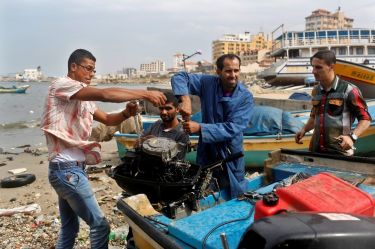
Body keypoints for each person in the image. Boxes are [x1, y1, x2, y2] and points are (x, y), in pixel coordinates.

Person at [40, 48, 166, 249]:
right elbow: (105, 94)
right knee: (100, 225)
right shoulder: (61, 85)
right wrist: (145, 93)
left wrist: (126, 113)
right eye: (88, 69)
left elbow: (108, 119)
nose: (91, 74)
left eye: (93, 71)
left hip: (71, 170)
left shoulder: (84, 99)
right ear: (73, 67)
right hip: (66, 171)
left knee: (70, 228)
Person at [171, 53, 254, 198]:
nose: (233, 75)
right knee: (204, 187)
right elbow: (180, 77)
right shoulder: (207, 83)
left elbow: (233, 127)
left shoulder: (245, 97)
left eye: (236, 70)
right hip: (208, 149)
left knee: (235, 189)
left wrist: (201, 128)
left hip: (230, 151)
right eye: (228, 71)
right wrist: (185, 99)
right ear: (218, 72)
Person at [295, 50, 371, 156]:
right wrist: (304, 129)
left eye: (318, 67)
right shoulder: (316, 91)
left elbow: (366, 119)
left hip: (340, 153)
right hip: (316, 152)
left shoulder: (349, 90)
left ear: (331, 66)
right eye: (313, 67)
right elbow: (314, 117)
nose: (313, 71)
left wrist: (352, 137)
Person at [134, 92, 189, 160]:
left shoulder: (182, 133)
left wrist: (156, 144)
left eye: (168, 108)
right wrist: (145, 140)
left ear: (177, 109)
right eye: (161, 108)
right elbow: (136, 144)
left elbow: (178, 160)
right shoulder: (156, 124)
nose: (164, 112)